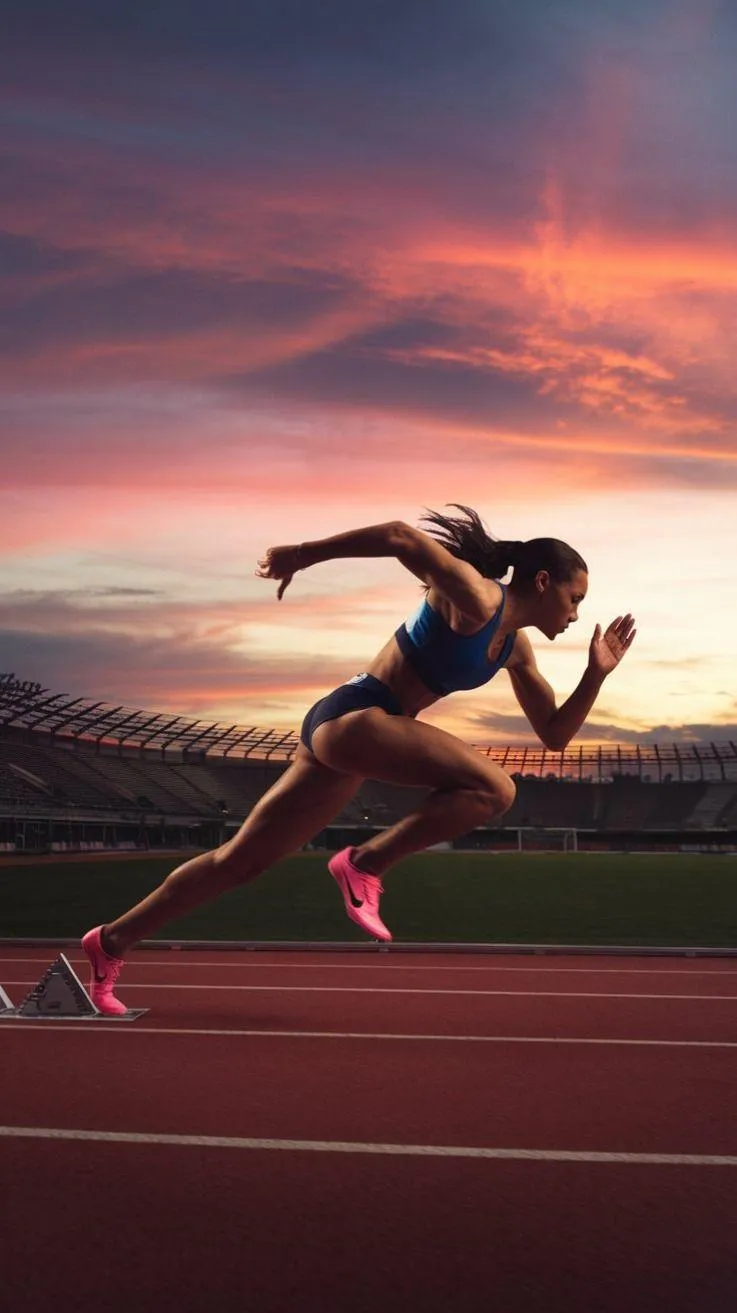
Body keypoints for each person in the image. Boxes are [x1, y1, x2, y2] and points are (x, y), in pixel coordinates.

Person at [82, 505, 636, 1014]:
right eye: (574, 599)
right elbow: (401, 537)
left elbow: (555, 734)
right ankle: (364, 864)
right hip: (357, 718)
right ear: (543, 582)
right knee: (497, 789)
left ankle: (110, 943)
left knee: (238, 864)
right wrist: (301, 555)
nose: (575, 614)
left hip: (352, 739)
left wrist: (596, 672)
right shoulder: (480, 598)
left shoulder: (516, 649)